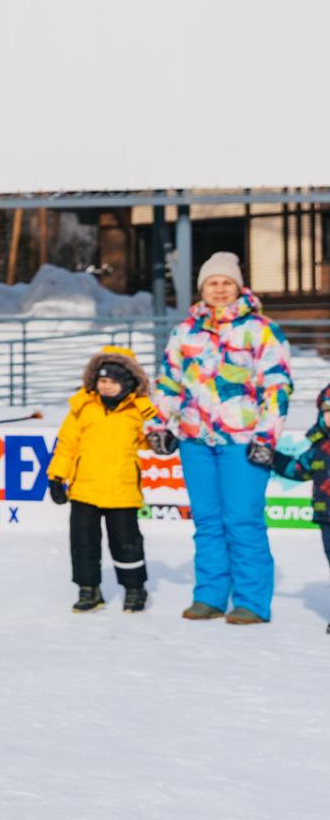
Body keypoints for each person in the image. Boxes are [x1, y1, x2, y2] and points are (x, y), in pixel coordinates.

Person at [154, 252, 292, 625]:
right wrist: (160, 426)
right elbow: (168, 382)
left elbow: (277, 386)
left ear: (238, 286)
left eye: (225, 282)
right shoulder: (184, 332)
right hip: (195, 439)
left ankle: (250, 601)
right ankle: (210, 596)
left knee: (242, 519)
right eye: (212, 283)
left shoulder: (260, 330)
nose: (219, 288)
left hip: (243, 441)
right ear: (202, 288)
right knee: (208, 521)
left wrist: (266, 437)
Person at [46, 347, 161, 614]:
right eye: (102, 380)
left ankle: (134, 588)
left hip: (122, 490)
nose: (106, 387)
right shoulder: (83, 407)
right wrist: (57, 476)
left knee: (127, 542)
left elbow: (153, 438)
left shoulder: (139, 411)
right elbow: (67, 444)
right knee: (83, 542)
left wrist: (161, 440)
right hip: (85, 489)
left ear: (128, 382)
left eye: (113, 381)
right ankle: (88, 590)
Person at [271, 383, 330, 635]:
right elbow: (299, 469)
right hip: (326, 516)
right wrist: (273, 459)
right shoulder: (319, 445)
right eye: (328, 411)